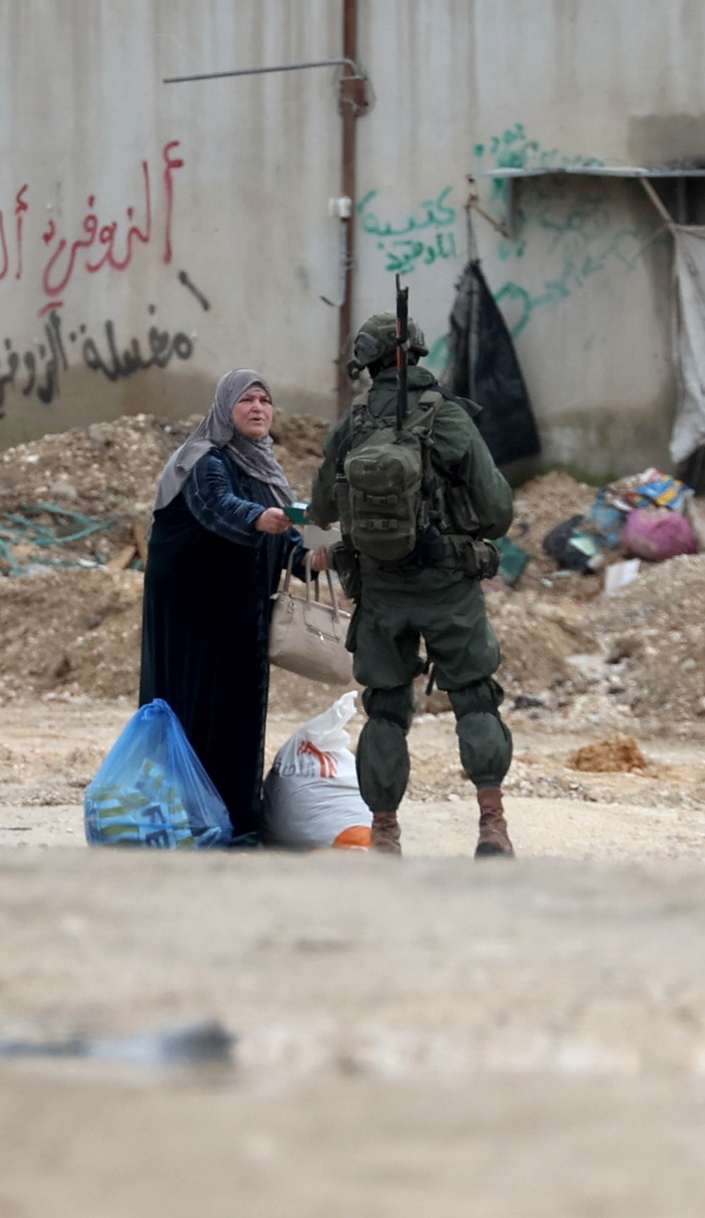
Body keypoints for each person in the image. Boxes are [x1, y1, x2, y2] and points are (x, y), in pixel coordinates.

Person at [309, 314, 516, 858]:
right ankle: (491, 825)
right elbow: (497, 511)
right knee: (474, 699)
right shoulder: (448, 417)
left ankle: (384, 832)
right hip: (449, 586)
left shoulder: (350, 425)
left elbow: (322, 509)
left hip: (379, 592)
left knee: (385, 709)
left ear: (367, 364)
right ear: (417, 356)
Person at [140, 369, 322, 843]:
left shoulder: (262, 470)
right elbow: (217, 507)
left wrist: (311, 557)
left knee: (239, 720)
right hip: (193, 618)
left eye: (265, 400)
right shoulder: (205, 461)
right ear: (226, 408)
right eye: (247, 400)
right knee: (194, 714)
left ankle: (237, 822)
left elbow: (284, 541)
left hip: (240, 616)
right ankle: (187, 821)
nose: (258, 408)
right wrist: (259, 517)